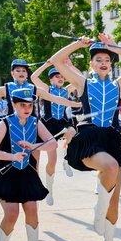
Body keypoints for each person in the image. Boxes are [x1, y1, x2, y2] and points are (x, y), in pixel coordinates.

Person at [48, 33, 121, 241]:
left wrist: (113, 46)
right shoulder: (83, 82)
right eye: (99, 59)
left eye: (107, 59)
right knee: (110, 168)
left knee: (114, 201)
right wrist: (77, 44)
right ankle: (97, 210)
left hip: (111, 139)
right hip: (90, 138)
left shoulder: (119, 84)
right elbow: (57, 61)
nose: (103, 63)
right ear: (91, 63)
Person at [0, 87, 57, 241]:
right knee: (12, 213)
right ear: (14, 105)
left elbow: (53, 143)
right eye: (22, 105)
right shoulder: (5, 123)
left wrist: (33, 145)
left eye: (30, 105)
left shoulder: (35, 122)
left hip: (27, 172)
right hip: (7, 172)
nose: (27, 108)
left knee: (32, 209)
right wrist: (12, 156)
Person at [31, 61, 81, 205]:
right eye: (56, 76)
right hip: (48, 125)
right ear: (51, 79)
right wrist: (48, 64)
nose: (60, 78)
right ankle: (49, 191)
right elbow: (34, 77)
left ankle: (67, 160)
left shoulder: (66, 90)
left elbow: (79, 79)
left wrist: (70, 66)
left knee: (73, 132)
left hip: (62, 123)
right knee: (51, 160)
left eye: (62, 76)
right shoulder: (46, 89)